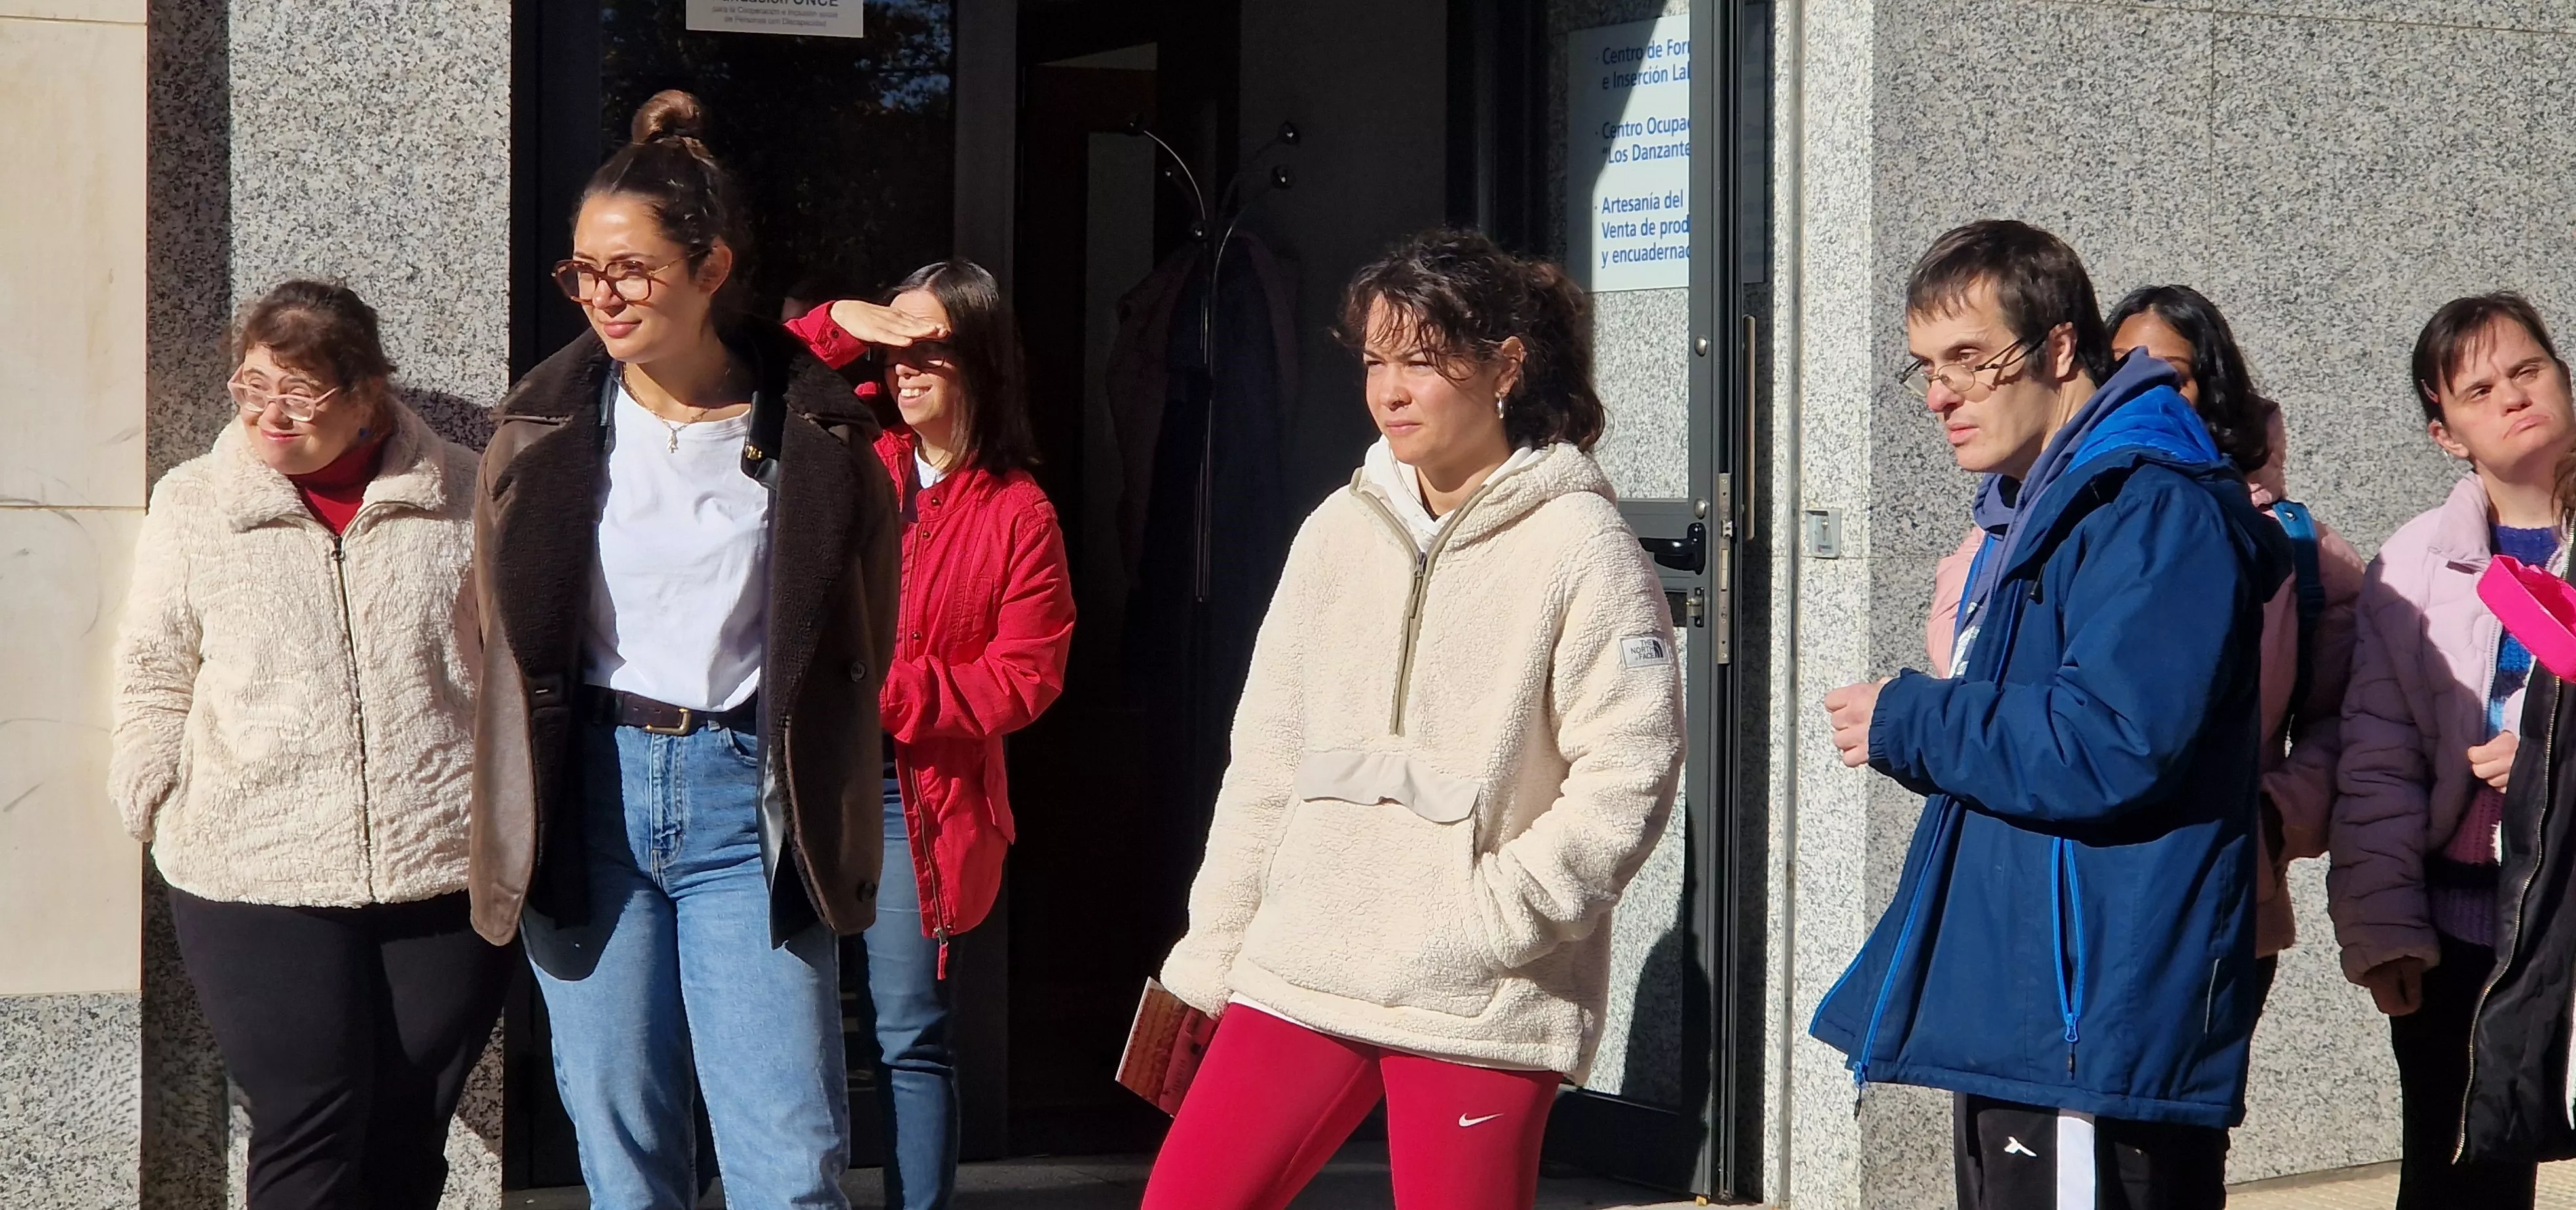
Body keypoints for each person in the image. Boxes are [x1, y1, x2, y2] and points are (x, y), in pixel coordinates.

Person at [1140, 229, 1683, 1210]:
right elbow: (1264, 764)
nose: (1389, 390)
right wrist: (1211, 954)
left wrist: (1493, 919)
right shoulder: (1335, 532)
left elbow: (1630, 775)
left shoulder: (1582, 544)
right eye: (1376, 361)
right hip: (1302, 966)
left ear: (1505, 367)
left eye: (1421, 362)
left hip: (1480, 992)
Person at [466, 90, 909, 1209]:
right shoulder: (541, 428)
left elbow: (862, 636)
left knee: (790, 1155)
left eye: (631, 270)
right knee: (625, 1156)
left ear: (710, 268)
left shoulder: (819, 437)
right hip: (591, 798)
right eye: (583, 272)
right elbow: (496, 624)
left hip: (744, 801)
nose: (601, 297)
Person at [1812, 220, 2288, 1209]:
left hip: (2090, 1011)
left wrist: (1913, 719)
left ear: (2062, 348)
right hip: (2042, 1010)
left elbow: (2108, 743)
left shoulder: (2150, 506)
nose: (1941, 395)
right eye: (1925, 369)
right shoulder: (2041, 500)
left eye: (1969, 361)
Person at [110, 280, 510, 1209]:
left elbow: (515, 662)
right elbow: (154, 666)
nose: (269, 414)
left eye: (299, 392)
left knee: (410, 1128)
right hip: (255, 868)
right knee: (306, 1123)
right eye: (251, 386)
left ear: (367, 392)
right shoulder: (195, 502)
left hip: (441, 864)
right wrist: (154, 788)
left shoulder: (468, 489)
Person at [1923, 284, 2364, 1016]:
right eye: (2127, 366)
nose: (2147, 388)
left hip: (2210, 898)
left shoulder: (2292, 548)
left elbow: (2353, 719)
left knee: (2158, 1128)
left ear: (2212, 391)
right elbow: (1977, 686)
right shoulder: (2006, 532)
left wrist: (2278, 816)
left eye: (2174, 375)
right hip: (2041, 894)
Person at [783, 260, 1078, 1210]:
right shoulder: (852, 452)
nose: (905, 371)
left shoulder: (1018, 511)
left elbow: (1024, 677)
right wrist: (840, 320)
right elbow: (752, 387)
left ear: (981, 365)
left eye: (931, 352)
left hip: (921, 794)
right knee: (785, 1019)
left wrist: (882, 693)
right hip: (803, 774)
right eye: (893, 350)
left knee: (909, 1031)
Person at [2399, 294, 2576, 1201]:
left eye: (2528, 370)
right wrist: (2383, 929)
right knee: (2455, 1176)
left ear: (2566, 377)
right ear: (2446, 434)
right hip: (2460, 932)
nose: (2513, 396)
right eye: (2479, 389)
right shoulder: (2410, 566)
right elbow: (2374, 763)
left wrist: (2555, 757)